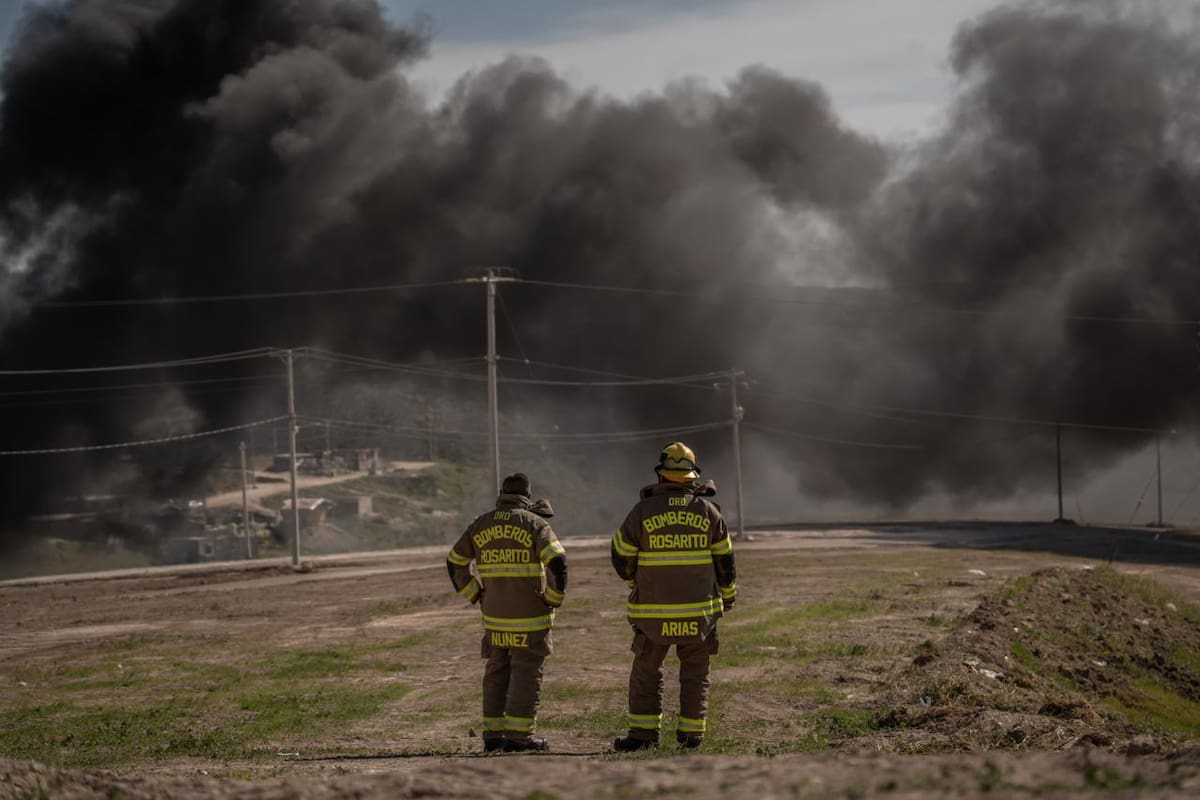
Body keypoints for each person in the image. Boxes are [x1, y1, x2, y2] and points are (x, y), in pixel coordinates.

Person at [610, 442, 737, 751]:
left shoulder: (642, 511)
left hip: (653, 612)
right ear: (692, 478)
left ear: (662, 475)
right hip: (698, 613)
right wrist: (728, 596)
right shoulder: (709, 512)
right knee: (695, 673)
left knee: (646, 670)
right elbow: (725, 562)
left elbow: (620, 556)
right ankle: (692, 736)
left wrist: (634, 584)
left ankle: (643, 737)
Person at [447, 472, 567, 753]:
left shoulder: (480, 523)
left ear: (502, 493)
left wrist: (475, 595)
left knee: (496, 672)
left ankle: (493, 737)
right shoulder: (534, 523)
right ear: (527, 496)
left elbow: (455, 562)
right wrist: (552, 599)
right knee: (526, 674)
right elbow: (558, 563)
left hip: (495, 618)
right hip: (530, 618)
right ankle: (518, 739)